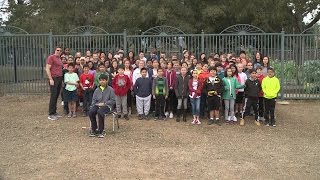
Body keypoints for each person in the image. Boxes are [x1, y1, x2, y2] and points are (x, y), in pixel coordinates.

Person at [88, 74, 116, 138]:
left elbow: (113, 100)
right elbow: (94, 100)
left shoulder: (110, 89)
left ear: (106, 81)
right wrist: (94, 105)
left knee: (100, 112)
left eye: (103, 80)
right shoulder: (97, 90)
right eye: (100, 80)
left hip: (107, 106)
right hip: (98, 104)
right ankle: (94, 129)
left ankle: (101, 130)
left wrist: (104, 103)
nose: (102, 81)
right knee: (91, 111)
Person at [46, 47, 63, 120]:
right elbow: (47, 68)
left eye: (60, 51)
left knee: (56, 95)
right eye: (57, 50)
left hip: (59, 78)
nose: (58, 51)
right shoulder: (51, 57)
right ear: (55, 50)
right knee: (53, 96)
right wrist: (50, 79)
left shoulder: (59, 59)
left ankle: (54, 111)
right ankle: (51, 114)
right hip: (54, 78)